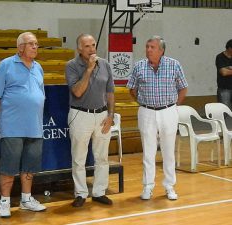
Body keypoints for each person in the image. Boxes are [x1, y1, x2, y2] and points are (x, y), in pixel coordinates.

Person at [0, 32, 46, 218]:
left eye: (37, 44)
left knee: (30, 164)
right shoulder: (6, 65)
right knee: (9, 165)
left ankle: (26, 199)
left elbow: (40, 94)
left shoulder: (39, 68)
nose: (35, 47)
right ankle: (4, 201)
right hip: (12, 127)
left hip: (35, 126)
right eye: (31, 44)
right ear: (20, 47)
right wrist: (8, 115)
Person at [127, 35, 188, 201]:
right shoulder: (139, 66)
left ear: (161, 50)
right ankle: (148, 187)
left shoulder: (174, 64)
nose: (148, 50)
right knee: (148, 151)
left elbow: (183, 88)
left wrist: (175, 105)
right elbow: (131, 89)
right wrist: (142, 102)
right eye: (147, 46)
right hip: (146, 112)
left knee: (168, 151)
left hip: (168, 111)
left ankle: (170, 186)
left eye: (152, 47)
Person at [65, 34, 114, 207]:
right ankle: (80, 193)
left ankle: (99, 191)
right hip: (80, 115)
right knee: (79, 157)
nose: (92, 49)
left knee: (102, 157)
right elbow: (77, 92)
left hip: (102, 115)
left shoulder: (105, 64)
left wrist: (110, 116)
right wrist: (89, 70)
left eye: (93, 45)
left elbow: (110, 93)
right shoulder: (71, 66)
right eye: (87, 46)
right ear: (79, 48)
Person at [216, 39, 232, 109]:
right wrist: (226, 70)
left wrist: (229, 68)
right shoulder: (220, 57)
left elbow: (226, 71)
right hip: (225, 89)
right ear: (229, 48)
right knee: (224, 111)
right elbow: (224, 72)